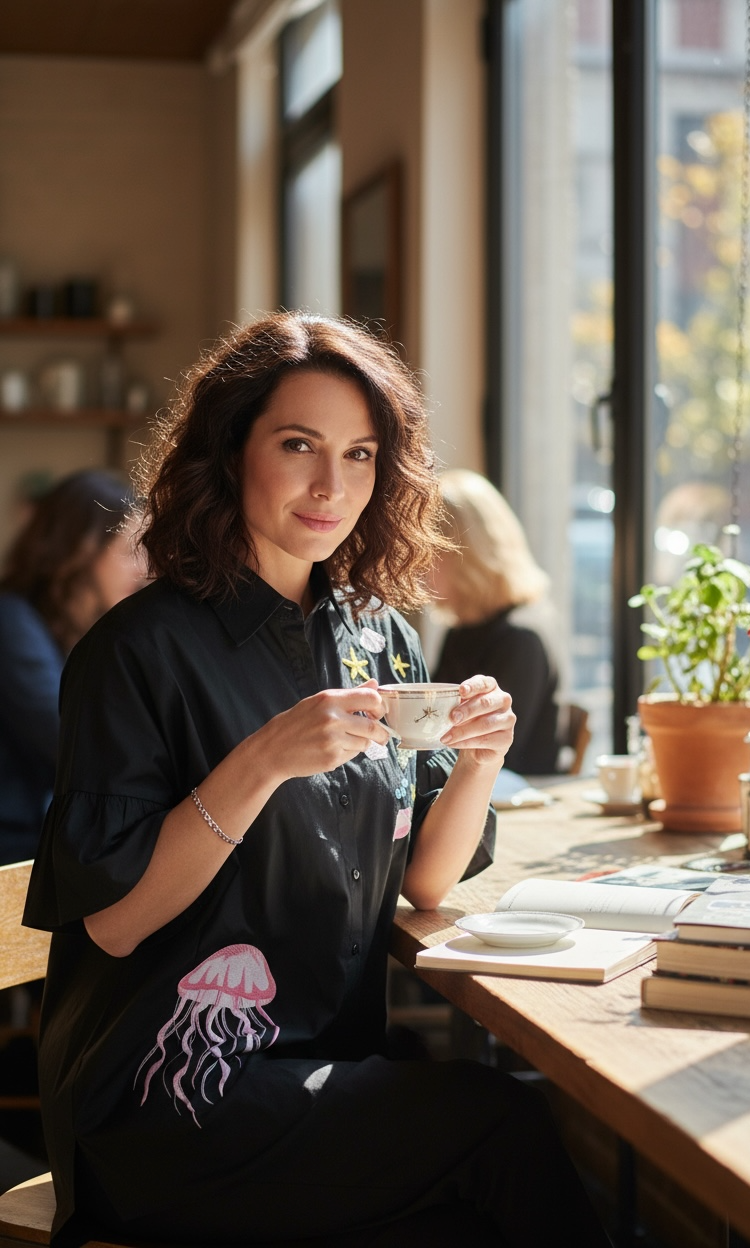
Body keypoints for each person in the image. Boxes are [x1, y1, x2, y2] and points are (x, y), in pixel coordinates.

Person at [23, 312, 611, 1248]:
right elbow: (118, 919)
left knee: (477, 1194)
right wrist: (260, 760)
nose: (331, 484)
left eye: (362, 453)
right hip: (165, 1102)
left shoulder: (378, 635)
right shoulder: (137, 652)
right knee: (505, 1127)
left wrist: (479, 760)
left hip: (321, 1062)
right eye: (299, 444)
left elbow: (423, 880)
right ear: (230, 451)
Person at [0, 469, 147, 865]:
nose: (144, 567)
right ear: (82, 549)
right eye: (129, 550)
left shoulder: (85, 631)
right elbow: (70, 743)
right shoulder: (11, 622)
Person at [430, 468, 563, 775]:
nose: (412, 561)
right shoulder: (459, 631)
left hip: (515, 804)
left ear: (465, 554)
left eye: (430, 550)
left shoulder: (521, 638)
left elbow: (499, 757)